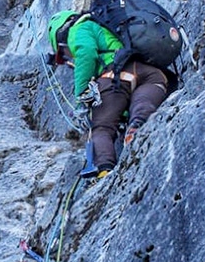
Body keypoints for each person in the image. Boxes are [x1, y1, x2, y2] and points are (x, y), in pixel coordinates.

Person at [48, 10, 169, 177]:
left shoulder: (79, 28)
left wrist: (81, 99)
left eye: (63, 54)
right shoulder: (105, 28)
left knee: (101, 128)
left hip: (113, 78)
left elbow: (86, 53)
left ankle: (104, 170)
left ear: (60, 36)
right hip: (150, 73)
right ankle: (137, 126)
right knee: (143, 102)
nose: (68, 57)